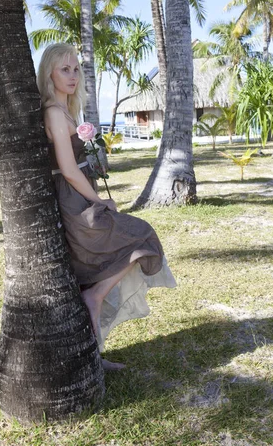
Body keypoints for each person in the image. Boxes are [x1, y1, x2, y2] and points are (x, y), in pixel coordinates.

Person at [37, 43, 176, 370]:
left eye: (75, 69)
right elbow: (68, 171)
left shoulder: (67, 110)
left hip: (82, 192)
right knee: (141, 236)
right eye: (64, 70)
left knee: (130, 244)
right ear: (49, 74)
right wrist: (100, 199)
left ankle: (93, 352)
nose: (72, 76)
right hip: (75, 202)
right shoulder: (55, 114)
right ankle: (96, 296)